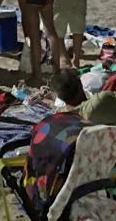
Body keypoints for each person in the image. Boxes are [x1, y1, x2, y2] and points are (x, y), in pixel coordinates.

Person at [24, 69, 87, 215]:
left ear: (59, 96)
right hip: (89, 189)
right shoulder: (92, 128)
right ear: (81, 87)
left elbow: (35, 165)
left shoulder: (46, 126)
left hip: (55, 195)